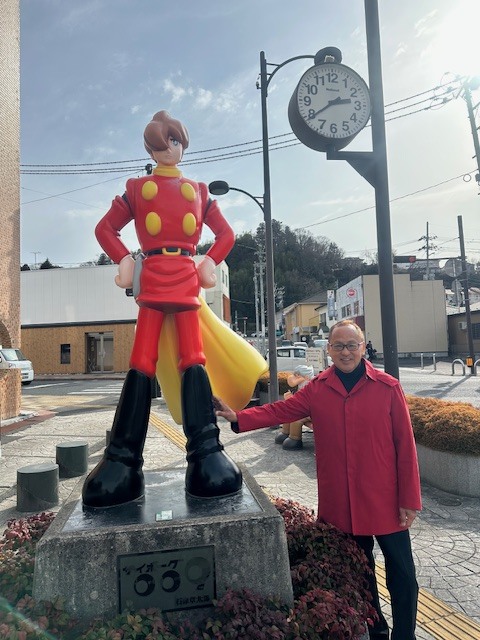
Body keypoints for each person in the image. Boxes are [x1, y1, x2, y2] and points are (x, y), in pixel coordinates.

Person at [82, 110, 266, 508]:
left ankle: (205, 453)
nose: (169, 149)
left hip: (184, 275)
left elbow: (226, 234)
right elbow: (104, 228)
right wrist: (124, 259)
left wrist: (209, 260)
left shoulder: (199, 191)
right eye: (161, 143)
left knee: (193, 357)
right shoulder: (136, 188)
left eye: (175, 141)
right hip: (152, 274)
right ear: (150, 148)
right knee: (141, 361)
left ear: (183, 145)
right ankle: (122, 461)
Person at [215, 319, 422, 640]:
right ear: (328, 349)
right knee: (359, 571)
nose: (345, 352)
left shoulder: (387, 387)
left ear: (363, 347)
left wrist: (409, 499)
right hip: (343, 502)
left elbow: (405, 446)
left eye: (351, 345)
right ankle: (376, 629)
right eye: (338, 346)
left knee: (403, 573)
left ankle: (405, 635)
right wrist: (239, 417)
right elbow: (281, 411)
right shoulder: (318, 388)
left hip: (385, 499)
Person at [274, 364, 314, 450]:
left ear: (306, 377)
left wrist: (293, 399)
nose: (294, 377)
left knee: (296, 419)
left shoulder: (311, 386)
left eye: (298, 375)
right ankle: (285, 433)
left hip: (313, 413)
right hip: (306, 410)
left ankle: (294, 439)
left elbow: (308, 402)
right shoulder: (302, 385)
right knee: (288, 412)